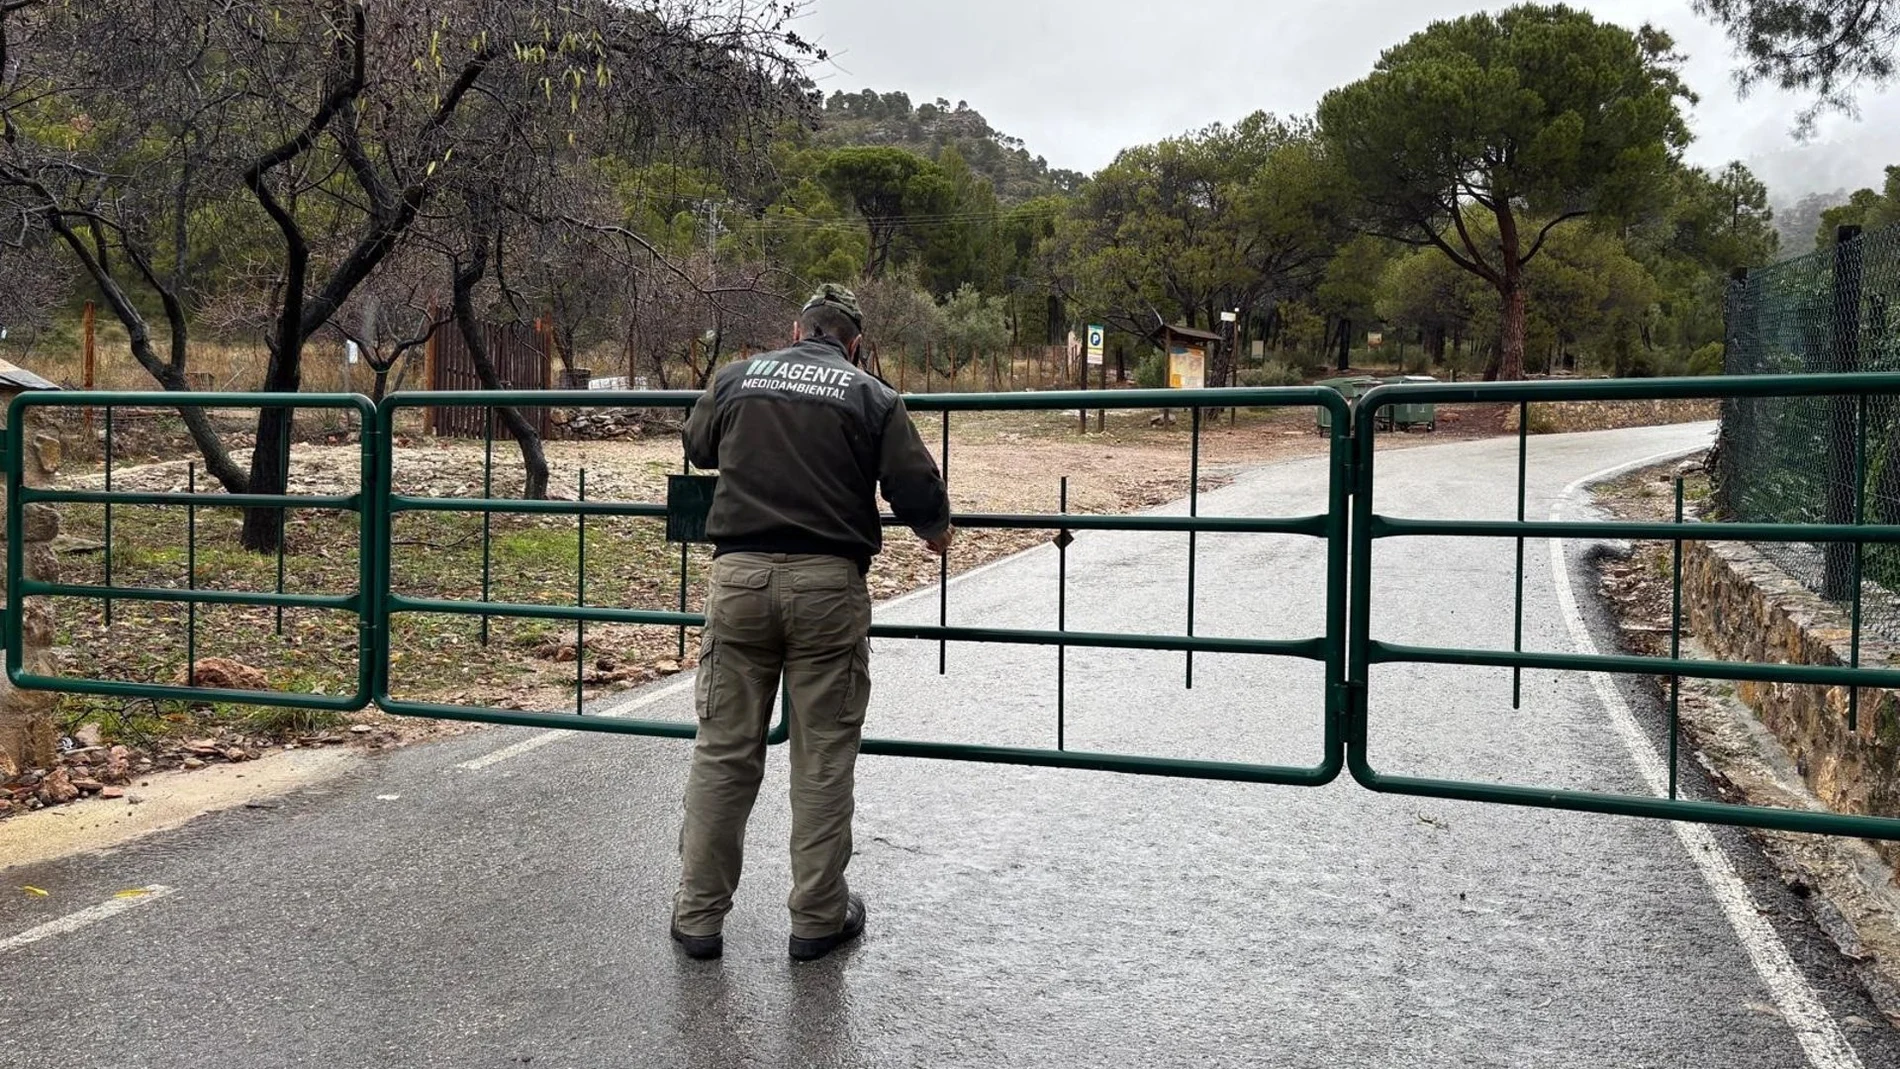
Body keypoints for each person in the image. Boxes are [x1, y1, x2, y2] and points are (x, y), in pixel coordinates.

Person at [672, 284, 953, 963]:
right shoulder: (872, 395)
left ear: (797, 330)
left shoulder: (737, 377)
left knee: (724, 752)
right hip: (828, 587)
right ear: (854, 344)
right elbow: (914, 485)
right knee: (823, 757)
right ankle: (818, 918)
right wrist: (935, 530)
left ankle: (699, 916)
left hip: (740, 582)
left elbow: (698, 446)